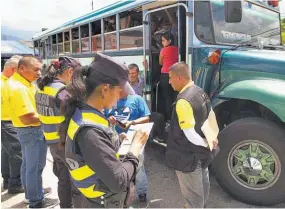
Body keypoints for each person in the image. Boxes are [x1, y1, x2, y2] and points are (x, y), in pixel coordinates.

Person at [58, 53, 149, 208]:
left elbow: (95, 154)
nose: (121, 96)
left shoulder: (84, 113)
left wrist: (116, 141)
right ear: (105, 89)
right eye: (119, 91)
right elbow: (119, 181)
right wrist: (135, 149)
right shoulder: (89, 130)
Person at [166, 62, 219, 208]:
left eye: (170, 78)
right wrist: (211, 138)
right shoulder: (199, 91)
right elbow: (210, 116)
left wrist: (205, 142)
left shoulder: (183, 101)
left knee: (193, 196)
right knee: (203, 184)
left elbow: (189, 134)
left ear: (180, 78)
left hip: (187, 156)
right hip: (201, 154)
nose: (169, 82)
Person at [7, 56, 58, 208]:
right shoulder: (19, 88)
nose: (39, 73)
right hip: (32, 130)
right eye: (35, 70)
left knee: (28, 166)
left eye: (40, 69)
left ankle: (32, 195)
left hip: (26, 132)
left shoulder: (22, 83)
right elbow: (27, 118)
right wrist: (49, 116)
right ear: (22, 68)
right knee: (35, 167)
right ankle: (37, 201)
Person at [35, 56, 81, 208]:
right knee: (76, 180)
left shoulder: (42, 88)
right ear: (69, 71)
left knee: (63, 179)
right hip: (64, 143)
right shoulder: (62, 92)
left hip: (52, 142)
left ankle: (65, 206)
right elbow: (75, 116)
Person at [105, 88, 150, 203]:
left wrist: (132, 122)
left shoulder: (137, 99)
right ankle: (123, 196)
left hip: (135, 140)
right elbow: (101, 120)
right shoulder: (109, 101)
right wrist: (109, 120)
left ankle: (142, 193)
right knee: (118, 169)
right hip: (115, 141)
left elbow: (147, 118)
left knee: (138, 167)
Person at [1, 55, 24, 194]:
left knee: (7, 153)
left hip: (7, 122)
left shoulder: (5, 82)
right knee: (17, 153)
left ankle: (8, 180)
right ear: (13, 69)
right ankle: (15, 184)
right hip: (7, 122)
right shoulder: (5, 84)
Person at [159, 32, 178, 121]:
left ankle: (169, 118)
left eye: (163, 40)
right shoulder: (177, 49)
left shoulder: (163, 50)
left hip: (165, 75)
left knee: (167, 98)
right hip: (176, 75)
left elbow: (160, 62)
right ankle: (176, 117)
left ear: (169, 41)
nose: (162, 43)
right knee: (175, 96)